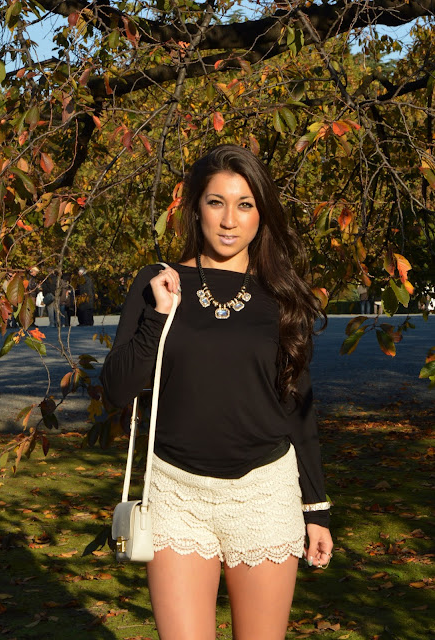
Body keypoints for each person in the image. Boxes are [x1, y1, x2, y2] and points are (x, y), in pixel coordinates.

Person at [101, 145, 333, 640]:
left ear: (261, 213)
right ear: (195, 207)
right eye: (216, 202)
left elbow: (298, 406)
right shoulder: (157, 282)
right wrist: (160, 316)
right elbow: (118, 390)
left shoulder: (281, 295)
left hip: (265, 494)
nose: (230, 220)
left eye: (245, 204)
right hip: (176, 495)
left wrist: (317, 511)